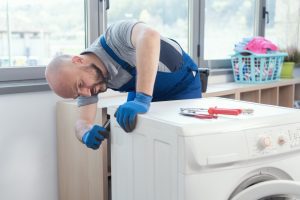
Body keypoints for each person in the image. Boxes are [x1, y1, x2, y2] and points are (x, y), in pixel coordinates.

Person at [46, 20, 202, 150]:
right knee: (142, 147)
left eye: (80, 85)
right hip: (143, 94)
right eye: (78, 94)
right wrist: (86, 134)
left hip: (182, 85)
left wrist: (142, 98)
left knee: (184, 146)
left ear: (79, 60)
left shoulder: (115, 37)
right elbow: (81, 123)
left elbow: (150, 35)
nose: (86, 94)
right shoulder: (88, 84)